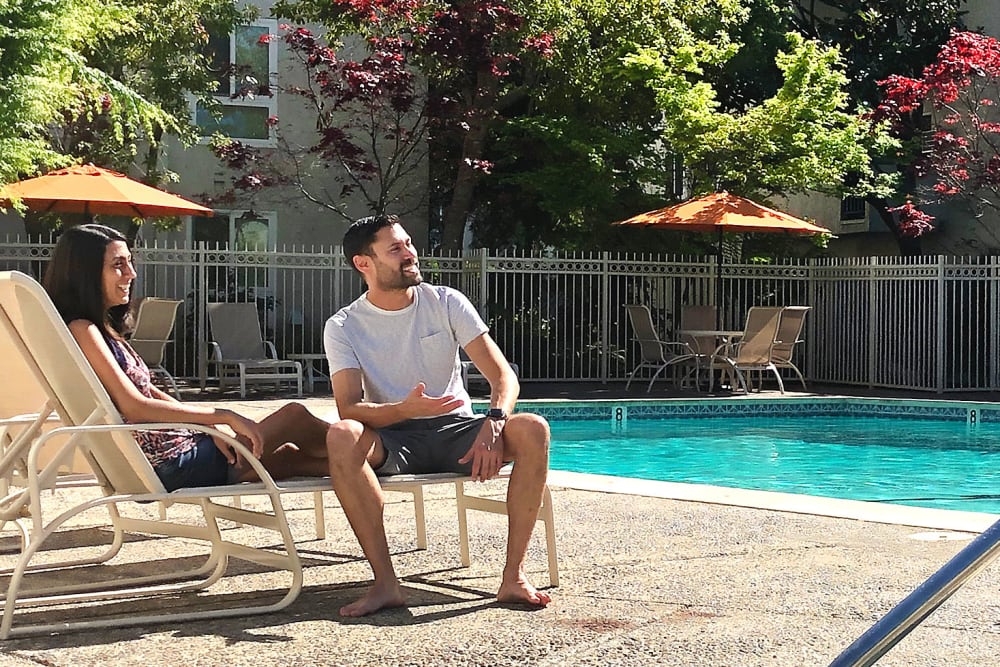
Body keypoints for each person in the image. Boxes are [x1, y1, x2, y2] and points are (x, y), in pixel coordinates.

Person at [324, 213, 552, 617]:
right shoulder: (344, 325)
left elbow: (504, 377)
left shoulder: (445, 301)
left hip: (456, 433)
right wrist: (403, 409)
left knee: (533, 428)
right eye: (395, 248)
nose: (409, 253)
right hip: (394, 436)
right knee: (342, 433)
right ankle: (385, 584)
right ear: (364, 263)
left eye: (408, 243)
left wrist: (494, 421)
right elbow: (350, 408)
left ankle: (513, 577)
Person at [43, 223, 331, 491]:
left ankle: (361, 462)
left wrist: (207, 427)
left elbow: (151, 392)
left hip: (174, 453)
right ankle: (366, 448)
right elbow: (135, 407)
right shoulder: (83, 329)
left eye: (130, 262)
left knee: (292, 457)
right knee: (295, 416)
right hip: (169, 462)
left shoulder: (100, 328)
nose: (131, 273)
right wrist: (223, 415)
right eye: (118, 265)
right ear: (85, 273)